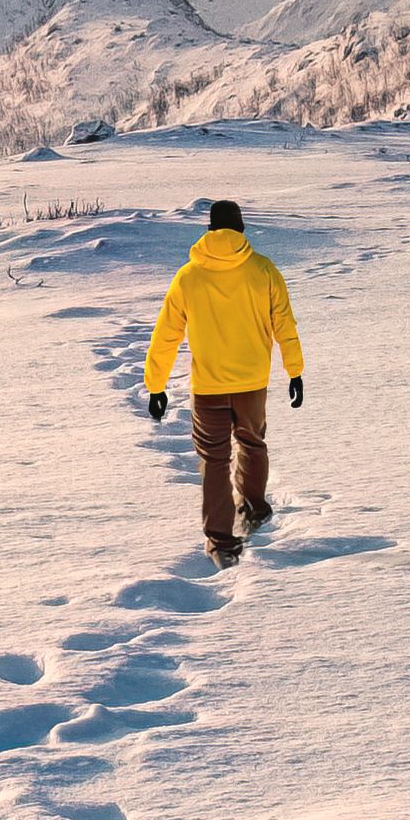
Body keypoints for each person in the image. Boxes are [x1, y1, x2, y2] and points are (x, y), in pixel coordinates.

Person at [140, 197, 308, 565]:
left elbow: (166, 333)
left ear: (211, 230)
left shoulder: (189, 275)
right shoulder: (263, 270)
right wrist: (294, 371)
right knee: (252, 442)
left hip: (209, 387)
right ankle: (253, 508)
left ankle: (220, 541)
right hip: (252, 382)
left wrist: (156, 384)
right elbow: (285, 324)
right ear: (241, 229)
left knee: (214, 460)